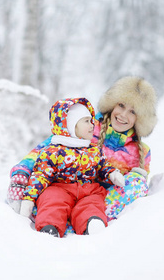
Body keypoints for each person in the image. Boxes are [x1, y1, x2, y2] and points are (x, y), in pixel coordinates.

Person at [7, 76, 157, 233]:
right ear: (112, 104)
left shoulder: (141, 151)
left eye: (132, 111)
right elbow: (47, 151)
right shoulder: (86, 127)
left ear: (140, 118)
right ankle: (55, 220)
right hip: (63, 191)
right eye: (121, 105)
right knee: (52, 197)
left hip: (96, 200)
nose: (123, 115)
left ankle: (91, 222)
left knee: (137, 182)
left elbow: (130, 193)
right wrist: (21, 173)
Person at [18, 97, 125, 237]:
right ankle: (50, 227)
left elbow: (103, 166)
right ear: (69, 125)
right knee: (51, 200)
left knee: (92, 203)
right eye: (86, 121)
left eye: (92, 120)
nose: (92, 125)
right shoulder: (53, 151)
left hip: (88, 190)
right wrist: (29, 199)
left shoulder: (94, 150)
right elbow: (40, 175)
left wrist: (112, 174)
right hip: (60, 188)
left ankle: (91, 222)